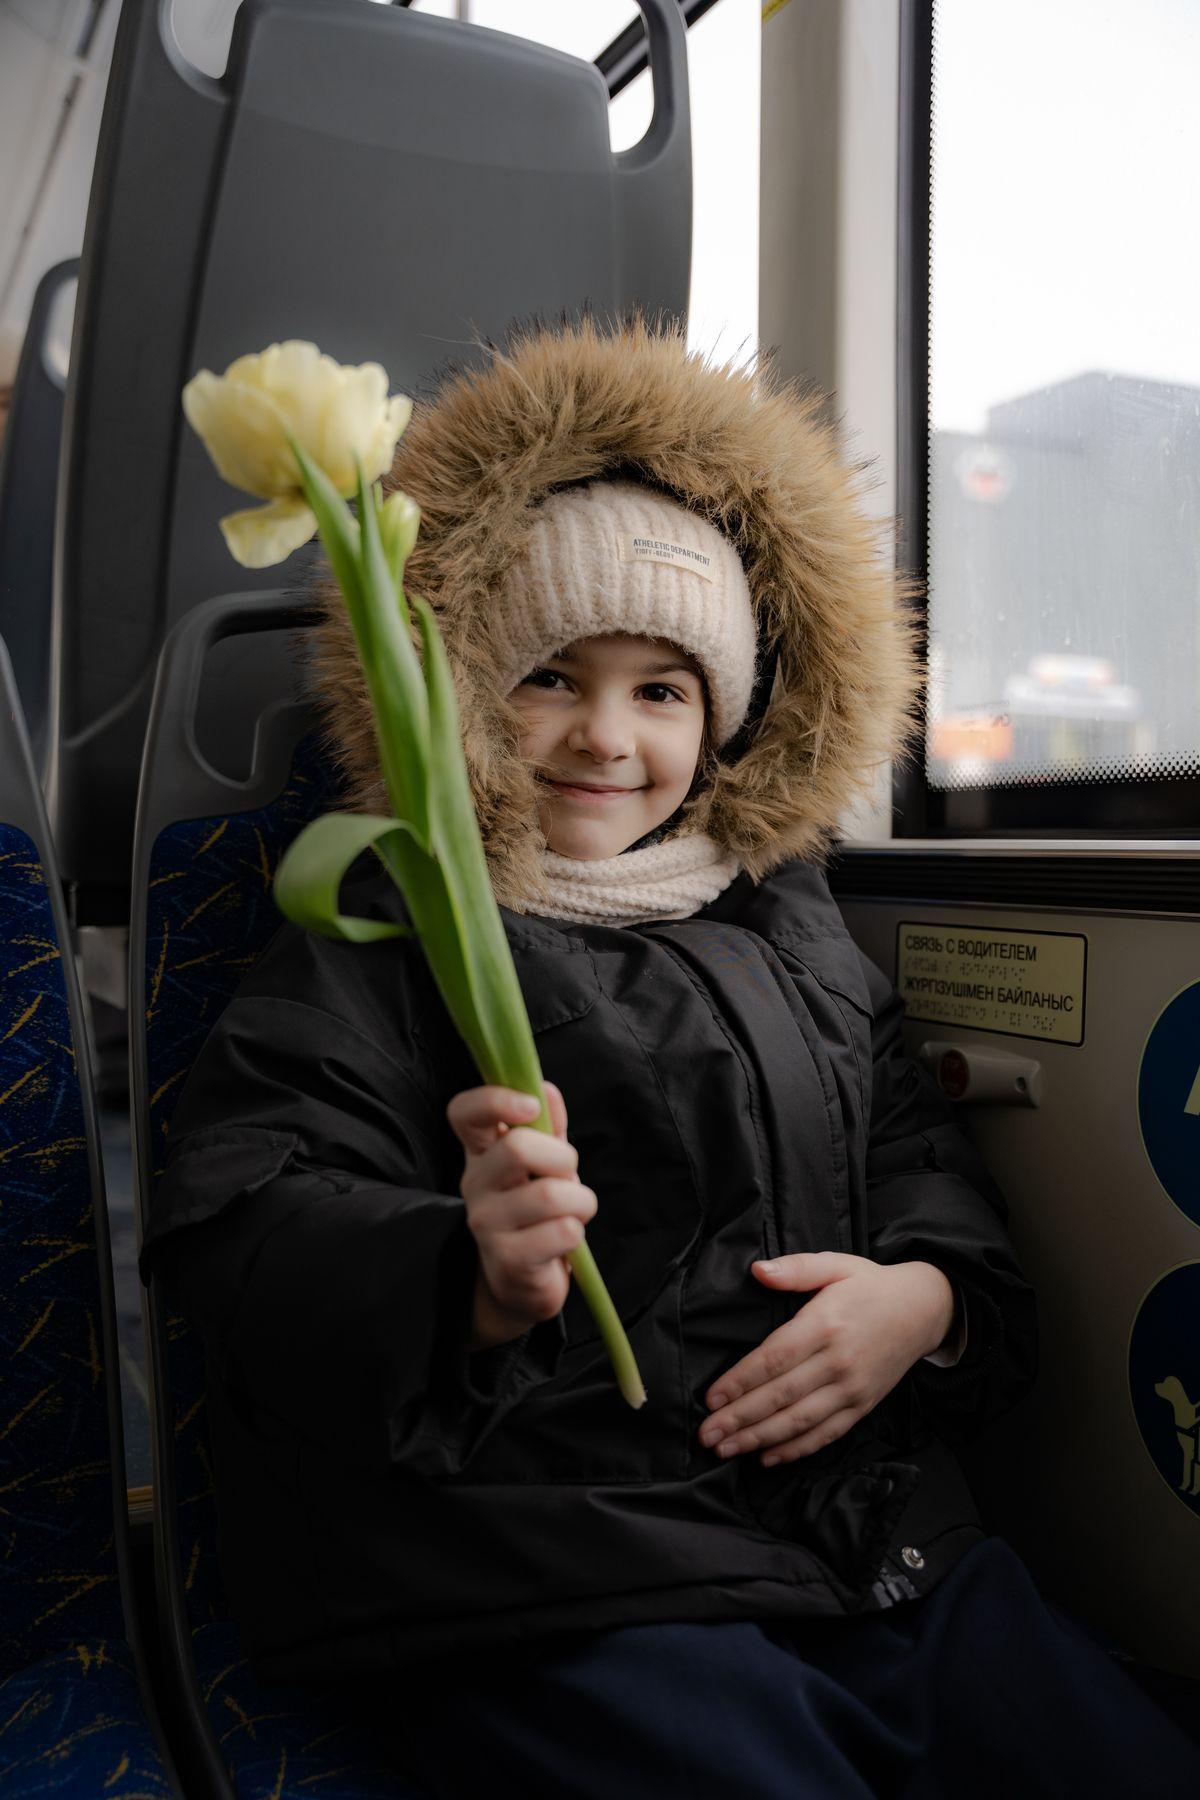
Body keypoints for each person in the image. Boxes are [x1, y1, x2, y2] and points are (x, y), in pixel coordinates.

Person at [138, 313, 1200, 1797]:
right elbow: (240, 1213)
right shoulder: (392, 926)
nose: (604, 737)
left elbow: (916, 1161)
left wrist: (926, 1299)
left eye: (661, 689)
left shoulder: (792, 925)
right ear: (470, 692)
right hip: (560, 1574)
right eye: (550, 676)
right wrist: (470, 1275)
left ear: (726, 720)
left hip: (871, 1540)